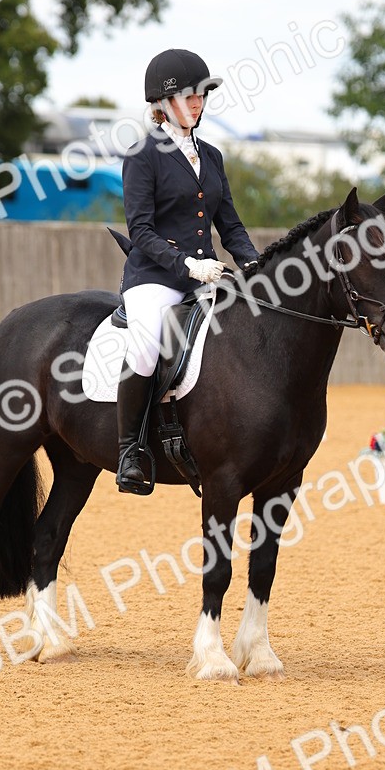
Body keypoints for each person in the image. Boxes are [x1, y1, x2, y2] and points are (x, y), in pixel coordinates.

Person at [115, 47, 260, 494]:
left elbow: (229, 224)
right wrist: (186, 264)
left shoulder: (212, 156)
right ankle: (130, 451)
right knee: (145, 344)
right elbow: (139, 228)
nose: (197, 103)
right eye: (188, 96)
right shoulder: (144, 155)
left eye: (202, 95)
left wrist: (254, 263)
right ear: (162, 104)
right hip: (155, 278)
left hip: (209, 275)